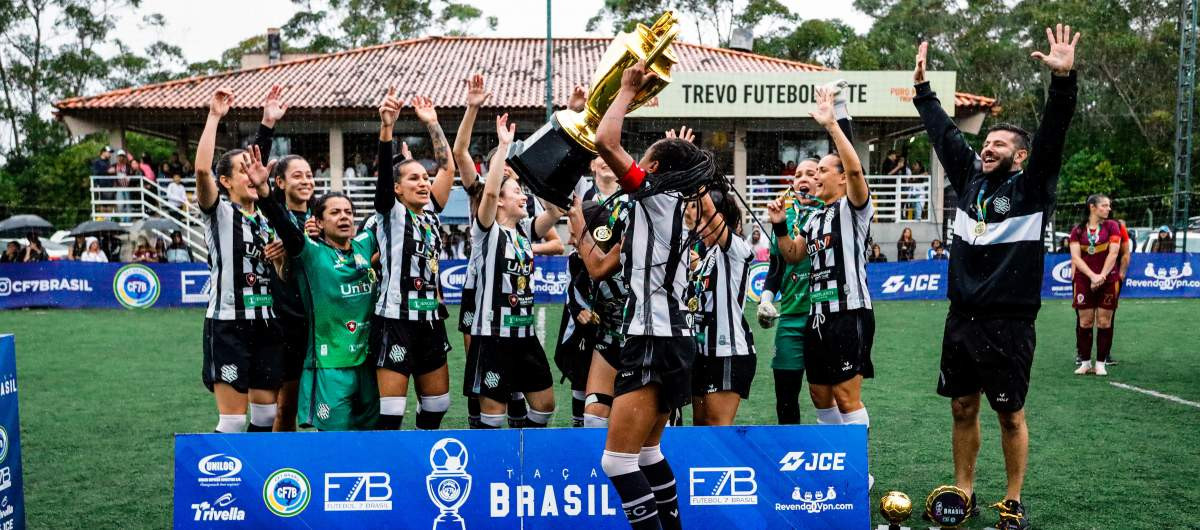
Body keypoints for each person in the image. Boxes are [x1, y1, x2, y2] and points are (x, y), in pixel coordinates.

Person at [912, 26, 1080, 529]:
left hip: (1009, 322)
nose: (988, 147)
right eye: (986, 140)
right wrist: (923, 91)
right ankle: (963, 490)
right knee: (963, 407)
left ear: (1019, 156)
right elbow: (945, 134)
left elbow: (1053, 135)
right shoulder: (969, 178)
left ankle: (1011, 501)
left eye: (1000, 143)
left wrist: (1063, 80)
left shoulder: (1030, 188)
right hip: (961, 318)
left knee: (1010, 414)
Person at [586, 61, 723, 530]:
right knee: (647, 452)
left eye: (643, 159)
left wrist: (624, 92)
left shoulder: (652, 195)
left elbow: (605, 141)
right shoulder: (675, 201)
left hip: (653, 337)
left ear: (656, 169)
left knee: (617, 463)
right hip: (674, 338)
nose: (634, 165)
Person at [769, 85, 875, 488]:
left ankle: (857, 472)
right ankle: (832, 463)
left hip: (848, 314)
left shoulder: (854, 207)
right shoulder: (813, 217)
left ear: (838, 178)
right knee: (820, 396)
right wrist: (780, 224)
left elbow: (855, 170)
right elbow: (794, 254)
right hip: (816, 315)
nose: (815, 176)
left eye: (822, 171)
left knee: (847, 398)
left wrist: (833, 124)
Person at [256, 158, 381, 431]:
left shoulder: (365, 244)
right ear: (319, 224)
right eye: (335, 213)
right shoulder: (311, 253)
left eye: (348, 212)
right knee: (329, 441)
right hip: (329, 365)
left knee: (371, 440)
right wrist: (264, 193)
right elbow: (285, 227)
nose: (344, 217)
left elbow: (389, 212)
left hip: (368, 363)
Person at [194, 85, 286, 434]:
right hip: (228, 325)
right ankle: (220, 482)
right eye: (243, 171)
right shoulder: (218, 211)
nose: (253, 175)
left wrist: (267, 124)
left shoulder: (265, 217)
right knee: (233, 423)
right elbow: (202, 172)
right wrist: (214, 117)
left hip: (266, 324)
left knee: (265, 418)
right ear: (225, 181)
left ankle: (254, 483)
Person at [466, 113, 561, 429]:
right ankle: (491, 471)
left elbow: (553, 212)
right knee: (493, 420)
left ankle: (525, 457)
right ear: (501, 202)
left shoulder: (523, 231)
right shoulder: (487, 230)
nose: (522, 196)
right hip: (493, 337)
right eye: (516, 192)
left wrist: (537, 178)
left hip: (525, 335)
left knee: (545, 407)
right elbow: (490, 193)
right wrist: (504, 147)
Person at [370, 89, 457, 431]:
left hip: (430, 321)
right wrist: (387, 129)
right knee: (391, 414)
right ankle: (386, 471)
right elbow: (382, 183)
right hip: (395, 320)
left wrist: (433, 123)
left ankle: (421, 463)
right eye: (414, 178)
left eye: (425, 177)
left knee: (438, 405)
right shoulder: (390, 213)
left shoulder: (431, 213)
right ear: (397, 188)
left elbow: (447, 166)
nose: (423, 183)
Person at [689, 191, 755, 426]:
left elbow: (710, 212)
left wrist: (699, 182)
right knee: (700, 427)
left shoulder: (735, 248)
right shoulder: (708, 256)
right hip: (702, 352)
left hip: (728, 352)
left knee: (717, 428)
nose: (699, 228)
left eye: (704, 221)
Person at [266, 147, 316, 432]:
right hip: (286, 325)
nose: (306, 181)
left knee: (328, 405)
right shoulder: (272, 219)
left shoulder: (320, 217)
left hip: (321, 325)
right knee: (286, 408)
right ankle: (279, 466)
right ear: (280, 182)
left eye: (309, 175)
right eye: (297, 175)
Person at [1070, 194, 1121, 376]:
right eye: (1105, 205)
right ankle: (1085, 362)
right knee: (1085, 321)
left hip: (1108, 279)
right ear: (1092, 207)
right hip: (1084, 280)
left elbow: (1114, 253)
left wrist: (1101, 276)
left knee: (1104, 322)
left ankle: (1100, 363)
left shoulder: (1113, 226)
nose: (1108, 209)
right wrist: (1092, 276)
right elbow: (1076, 257)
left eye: (1109, 206)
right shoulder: (1077, 230)